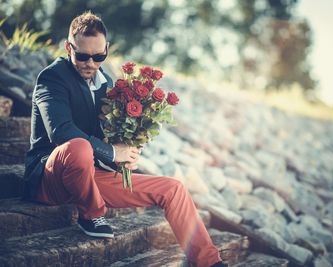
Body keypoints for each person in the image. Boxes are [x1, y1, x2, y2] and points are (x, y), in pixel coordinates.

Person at [23, 11, 226, 267]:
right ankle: (92, 215)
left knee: (174, 189)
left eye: (99, 56)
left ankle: (210, 262)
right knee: (78, 146)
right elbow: (60, 131)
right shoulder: (51, 78)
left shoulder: (107, 82)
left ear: (106, 50)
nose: (90, 63)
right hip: (49, 177)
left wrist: (125, 156)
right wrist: (110, 152)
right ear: (68, 47)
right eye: (83, 55)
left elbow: (107, 139)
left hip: (90, 177)